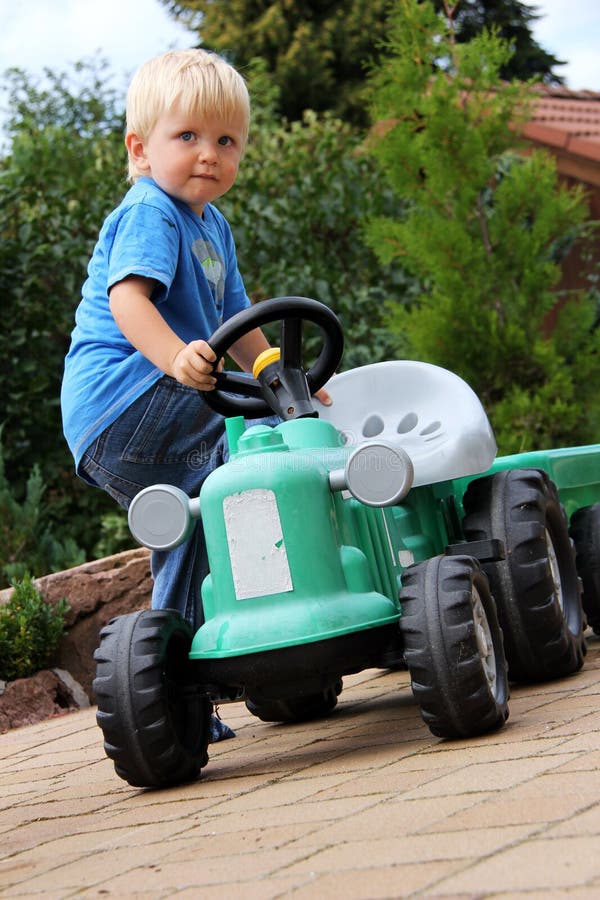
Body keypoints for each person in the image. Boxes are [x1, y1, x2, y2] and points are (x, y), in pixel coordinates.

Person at [60, 48, 330, 739]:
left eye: (226, 141)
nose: (208, 154)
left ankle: (174, 689)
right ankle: (217, 654)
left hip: (136, 408)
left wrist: (282, 380)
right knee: (249, 464)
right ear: (141, 149)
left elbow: (240, 322)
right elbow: (128, 302)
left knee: (196, 522)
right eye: (187, 137)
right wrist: (176, 356)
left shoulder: (212, 226)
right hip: (127, 399)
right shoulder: (151, 210)